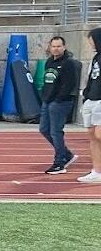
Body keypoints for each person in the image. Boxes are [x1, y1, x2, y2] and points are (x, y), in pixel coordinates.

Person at [39, 36, 79, 175]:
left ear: (64, 47)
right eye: (53, 46)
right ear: (50, 47)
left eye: (58, 46)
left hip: (61, 102)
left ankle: (59, 163)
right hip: (48, 100)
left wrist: (58, 99)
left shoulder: (69, 63)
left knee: (56, 132)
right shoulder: (49, 62)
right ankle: (66, 154)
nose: (56, 49)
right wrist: (45, 97)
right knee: (44, 129)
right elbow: (47, 81)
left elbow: (69, 84)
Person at [78, 27, 101, 184]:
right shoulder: (96, 58)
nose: (90, 42)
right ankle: (97, 171)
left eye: (91, 39)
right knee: (92, 136)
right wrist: (85, 96)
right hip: (91, 98)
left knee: (99, 134)